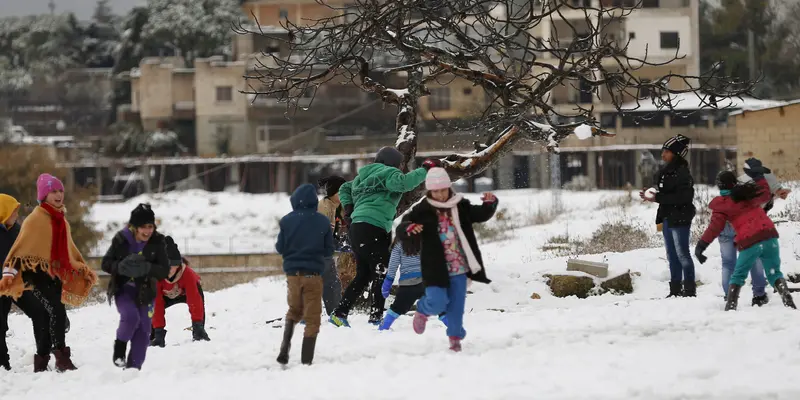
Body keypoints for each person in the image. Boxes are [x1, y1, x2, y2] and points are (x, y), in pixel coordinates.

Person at [330, 147, 438, 327]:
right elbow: (403, 183)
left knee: (364, 275)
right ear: (393, 163)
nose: (400, 169)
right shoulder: (389, 172)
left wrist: (349, 209)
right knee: (381, 271)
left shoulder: (360, 178)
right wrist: (426, 169)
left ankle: (339, 313)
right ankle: (375, 317)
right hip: (374, 226)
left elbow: (344, 188)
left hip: (357, 228)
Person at [0, 174, 98, 372]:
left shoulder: (57, 222)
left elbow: (62, 250)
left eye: (60, 190)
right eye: (53, 191)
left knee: (44, 313)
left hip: (33, 276)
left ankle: (43, 358)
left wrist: (78, 267)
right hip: (16, 279)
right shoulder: (34, 221)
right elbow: (18, 254)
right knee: (3, 325)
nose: (59, 194)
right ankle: (6, 363)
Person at [398, 167, 498, 352]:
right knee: (438, 302)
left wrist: (490, 204)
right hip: (435, 267)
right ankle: (423, 309)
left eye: (443, 190)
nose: (440, 195)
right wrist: (409, 228)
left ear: (449, 188)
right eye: (435, 191)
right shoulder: (423, 209)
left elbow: (479, 214)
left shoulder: (459, 204)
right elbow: (403, 226)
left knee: (456, 305)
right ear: (430, 191)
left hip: (460, 266)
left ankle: (454, 338)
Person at [695, 161, 796, 311]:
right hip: (769, 235)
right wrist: (759, 176)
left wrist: (701, 246)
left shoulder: (722, 204)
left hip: (751, 241)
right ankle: (787, 299)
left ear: (719, 186)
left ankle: (730, 305)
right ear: (735, 182)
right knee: (774, 272)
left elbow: (714, 228)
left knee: (738, 274)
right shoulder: (747, 194)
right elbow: (765, 193)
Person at [101, 203, 170, 370]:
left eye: (150, 226)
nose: (147, 231)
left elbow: (164, 270)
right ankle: (120, 347)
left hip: (146, 292)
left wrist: (148, 268)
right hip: (124, 289)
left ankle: (133, 369)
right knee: (131, 317)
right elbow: (106, 263)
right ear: (134, 227)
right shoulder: (121, 239)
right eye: (143, 227)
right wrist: (120, 266)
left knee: (145, 328)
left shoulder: (158, 242)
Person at [276, 184, 334, 365]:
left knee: (294, 310)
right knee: (312, 318)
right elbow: (328, 251)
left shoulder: (286, 221)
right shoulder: (323, 221)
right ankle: (306, 360)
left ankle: (284, 348)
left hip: (293, 275)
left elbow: (280, 247)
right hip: (313, 275)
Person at [717, 169, 791, 306]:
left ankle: (729, 297)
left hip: (726, 227)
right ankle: (759, 295)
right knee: (756, 259)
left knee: (728, 264)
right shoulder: (744, 194)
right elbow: (760, 198)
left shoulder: (721, 201)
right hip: (746, 229)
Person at [640, 135, 696, 298]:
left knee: (683, 255)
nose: (663, 154)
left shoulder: (682, 173)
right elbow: (667, 194)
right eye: (663, 151)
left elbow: (683, 197)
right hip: (667, 217)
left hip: (680, 218)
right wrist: (652, 195)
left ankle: (689, 290)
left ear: (676, 154)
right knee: (672, 255)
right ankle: (675, 289)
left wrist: (657, 198)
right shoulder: (666, 172)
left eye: (666, 151)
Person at [0, 194, 51, 372]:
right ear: (4, 212)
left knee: (41, 313)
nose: (16, 214)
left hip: (17, 283)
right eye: (14, 211)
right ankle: (2, 364)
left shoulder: (17, 230)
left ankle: (42, 359)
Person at [150, 239, 210, 347]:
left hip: (185, 294)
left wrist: (197, 324)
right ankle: (154, 336)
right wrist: (159, 331)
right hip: (165, 297)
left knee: (198, 299)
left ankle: (199, 330)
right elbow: (157, 304)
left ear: (178, 264)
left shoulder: (188, 274)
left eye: (171, 266)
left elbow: (194, 301)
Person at [317, 175, 346, 316]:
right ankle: (335, 313)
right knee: (328, 282)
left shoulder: (336, 207)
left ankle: (335, 312)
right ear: (333, 192)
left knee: (331, 282)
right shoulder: (324, 206)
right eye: (341, 192)